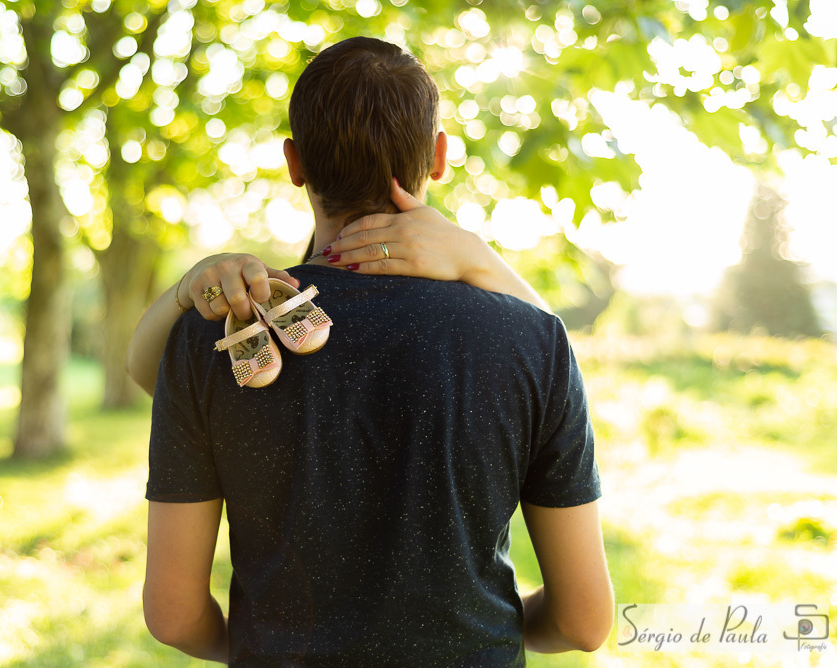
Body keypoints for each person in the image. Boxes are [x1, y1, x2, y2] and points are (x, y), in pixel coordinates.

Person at [137, 37, 613, 665]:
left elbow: (172, 615)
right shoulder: (534, 340)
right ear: (438, 156)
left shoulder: (223, 329)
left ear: (295, 162)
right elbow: (585, 622)